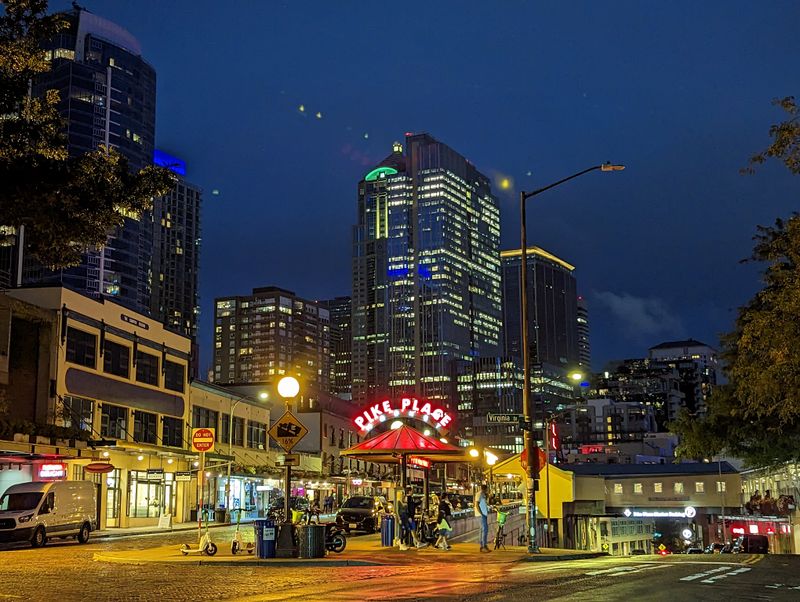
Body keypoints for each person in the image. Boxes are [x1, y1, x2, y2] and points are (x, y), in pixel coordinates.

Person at [476, 484, 490, 552]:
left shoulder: (483, 495)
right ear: (485, 489)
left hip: (484, 514)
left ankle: (482, 546)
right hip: (482, 515)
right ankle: (483, 545)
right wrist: (481, 513)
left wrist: (487, 496)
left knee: (483, 530)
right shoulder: (479, 494)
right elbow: (477, 504)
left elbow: (484, 503)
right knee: (484, 530)